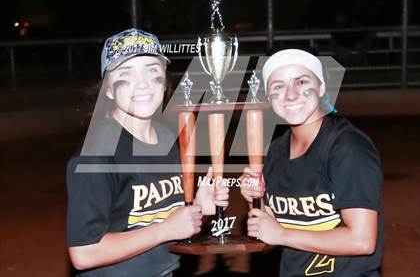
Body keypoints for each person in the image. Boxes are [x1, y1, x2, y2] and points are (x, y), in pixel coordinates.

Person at [66, 28, 229, 277]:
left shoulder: (166, 139)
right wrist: (166, 230)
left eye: (152, 71)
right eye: (126, 74)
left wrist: (198, 208)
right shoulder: (97, 154)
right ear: (108, 90)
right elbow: (84, 253)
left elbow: (167, 223)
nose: (142, 84)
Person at [240, 49, 382, 276]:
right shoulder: (276, 151)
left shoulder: (347, 147)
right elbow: (270, 237)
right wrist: (254, 200)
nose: (291, 94)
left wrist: (280, 234)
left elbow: (362, 240)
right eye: (278, 86)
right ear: (268, 97)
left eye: (301, 81)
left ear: (322, 87)